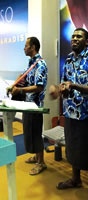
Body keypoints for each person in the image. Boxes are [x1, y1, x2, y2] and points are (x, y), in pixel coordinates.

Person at [49, 28, 88, 200]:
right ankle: (75, 179)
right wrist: (59, 91)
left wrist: (73, 86)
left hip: (86, 115)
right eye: (73, 36)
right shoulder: (69, 61)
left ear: (87, 41)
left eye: (79, 36)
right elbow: (66, 86)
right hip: (70, 112)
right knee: (72, 148)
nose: (74, 39)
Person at [10, 37, 48, 175]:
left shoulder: (40, 64)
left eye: (26, 46)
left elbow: (38, 87)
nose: (24, 48)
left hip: (35, 106)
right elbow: (27, 82)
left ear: (33, 47)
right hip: (28, 104)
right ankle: (37, 156)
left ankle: (41, 162)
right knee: (30, 132)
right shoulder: (31, 64)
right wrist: (17, 83)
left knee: (36, 134)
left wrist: (20, 91)